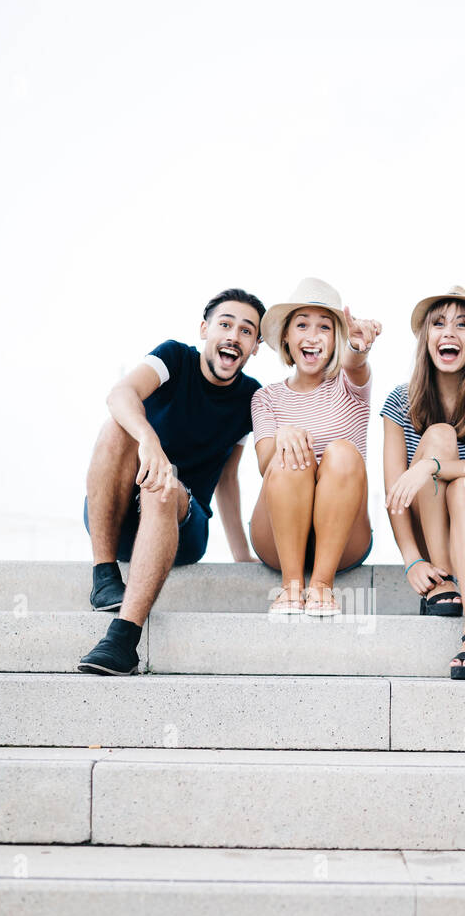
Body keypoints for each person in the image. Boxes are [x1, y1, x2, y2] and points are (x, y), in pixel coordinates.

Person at [78, 288, 265, 674]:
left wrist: (241, 554)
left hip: (184, 525)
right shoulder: (175, 357)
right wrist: (149, 440)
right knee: (117, 427)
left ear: (255, 347)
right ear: (204, 329)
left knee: (163, 488)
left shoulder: (251, 398)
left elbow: (229, 478)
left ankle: (123, 639)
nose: (234, 336)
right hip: (115, 517)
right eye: (225, 324)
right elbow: (120, 393)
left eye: (247, 331)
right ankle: (103, 574)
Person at [382, 285, 465, 680]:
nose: (449, 333)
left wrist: (429, 466)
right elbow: (394, 492)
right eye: (439, 323)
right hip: (431, 532)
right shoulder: (399, 402)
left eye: (462, 325)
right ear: (426, 337)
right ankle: (442, 579)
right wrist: (412, 560)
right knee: (439, 433)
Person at [249, 277, 381, 615]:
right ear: (287, 338)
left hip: (345, 537)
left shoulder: (349, 384)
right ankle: (291, 587)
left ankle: (322, 585)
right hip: (277, 536)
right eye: (302, 325)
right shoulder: (266, 397)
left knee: (341, 453)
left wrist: (359, 348)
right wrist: (282, 438)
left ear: (336, 339)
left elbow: (356, 363)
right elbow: (266, 464)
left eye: (324, 327)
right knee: (292, 455)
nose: (312, 335)